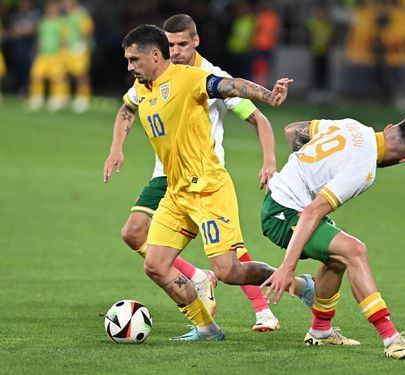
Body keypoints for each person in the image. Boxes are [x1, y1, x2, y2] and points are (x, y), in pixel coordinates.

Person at [114, 24, 315, 342]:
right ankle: (207, 329)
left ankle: (300, 284)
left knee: (229, 271)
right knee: (154, 265)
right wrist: (116, 147)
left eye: (134, 60)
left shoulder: (189, 78)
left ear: (155, 55)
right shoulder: (143, 88)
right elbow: (127, 107)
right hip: (176, 192)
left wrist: (268, 96)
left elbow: (231, 86)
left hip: (208, 189)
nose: (129, 67)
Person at [261, 117, 405, 359]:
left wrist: (303, 170)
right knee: (355, 250)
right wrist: (288, 267)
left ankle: (320, 331)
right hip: (284, 213)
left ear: (390, 127)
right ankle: (392, 339)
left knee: (338, 258)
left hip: (283, 203)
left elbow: (292, 131)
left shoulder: (353, 125)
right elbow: (312, 211)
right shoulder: (365, 169)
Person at [27, 0, 68, 111]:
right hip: (43, 54)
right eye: (50, 8)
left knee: (57, 78)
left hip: (56, 55)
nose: (51, 10)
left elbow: (64, 40)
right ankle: (37, 98)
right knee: (36, 75)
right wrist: (36, 53)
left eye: (54, 8)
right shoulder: (43, 22)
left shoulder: (62, 23)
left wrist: (63, 55)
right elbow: (39, 39)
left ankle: (58, 98)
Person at [61, 0, 94, 113]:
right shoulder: (66, 17)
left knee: (81, 74)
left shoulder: (81, 14)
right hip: (67, 50)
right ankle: (64, 97)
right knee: (65, 74)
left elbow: (88, 30)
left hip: (79, 48)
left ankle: (83, 99)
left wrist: (83, 44)